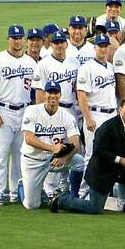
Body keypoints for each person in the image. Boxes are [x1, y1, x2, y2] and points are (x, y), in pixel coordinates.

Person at [51, 98, 125, 215]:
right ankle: (61, 199)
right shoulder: (108, 127)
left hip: (121, 169)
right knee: (95, 208)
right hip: (102, 172)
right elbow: (98, 150)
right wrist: (119, 160)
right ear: (120, 109)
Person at [0, 25, 38, 206]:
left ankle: (15, 191)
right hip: (4, 111)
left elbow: (33, 93)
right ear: (8, 39)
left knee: (20, 154)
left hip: (24, 111)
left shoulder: (31, 62)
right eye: (14, 38)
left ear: (24, 40)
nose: (17, 41)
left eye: (20, 38)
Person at [20, 81, 84, 210]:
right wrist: (52, 148)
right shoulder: (32, 110)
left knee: (79, 161)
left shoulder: (67, 116)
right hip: (33, 160)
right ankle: (22, 185)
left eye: (56, 93)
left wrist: (64, 158)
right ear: (44, 94)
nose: (52, 96)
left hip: (54, 159)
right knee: (32, 205)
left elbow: (76, 143)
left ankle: (73, 196)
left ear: (60, 95)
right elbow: (29, 139)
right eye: (50, 92)